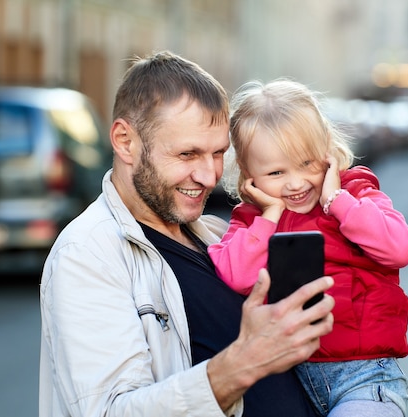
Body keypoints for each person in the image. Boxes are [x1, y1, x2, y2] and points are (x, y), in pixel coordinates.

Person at [38, 51, 336, 417]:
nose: (210, 176)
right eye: (187, 154)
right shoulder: (87, 254)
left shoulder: (216, 234)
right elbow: (111, 411)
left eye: (217, 154)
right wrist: (243, 364)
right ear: (125, 141)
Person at [208, 79, 408, 417]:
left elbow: (400, 248)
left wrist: (337, 201)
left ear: (328, 153)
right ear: (249, 176)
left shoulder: (356, 194)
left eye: (307, 164)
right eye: (276, 172)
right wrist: (270, 217)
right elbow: (236, 276)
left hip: (364, 378)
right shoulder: (252, 221)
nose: (295, 182)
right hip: (291, 382)